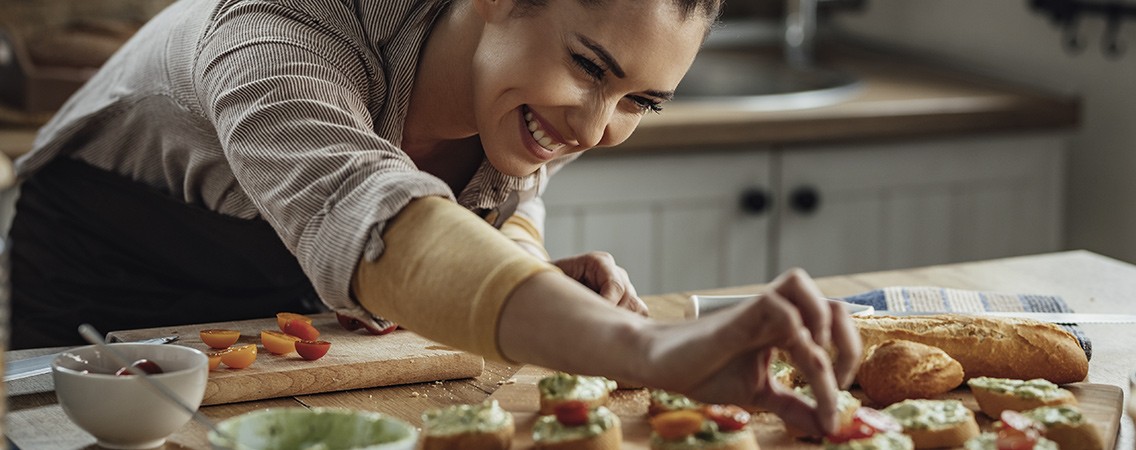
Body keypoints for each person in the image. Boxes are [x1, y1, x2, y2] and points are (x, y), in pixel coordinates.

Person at [8, 0, 861, 436]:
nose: (596, 129)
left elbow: (502, 209)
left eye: (640, 100)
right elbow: (373, 214)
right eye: (589, 66)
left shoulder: (515, 96)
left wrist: (529, 270)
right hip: (96, 279)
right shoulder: (278, 26)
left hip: (290, 316)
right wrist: (654, 350)